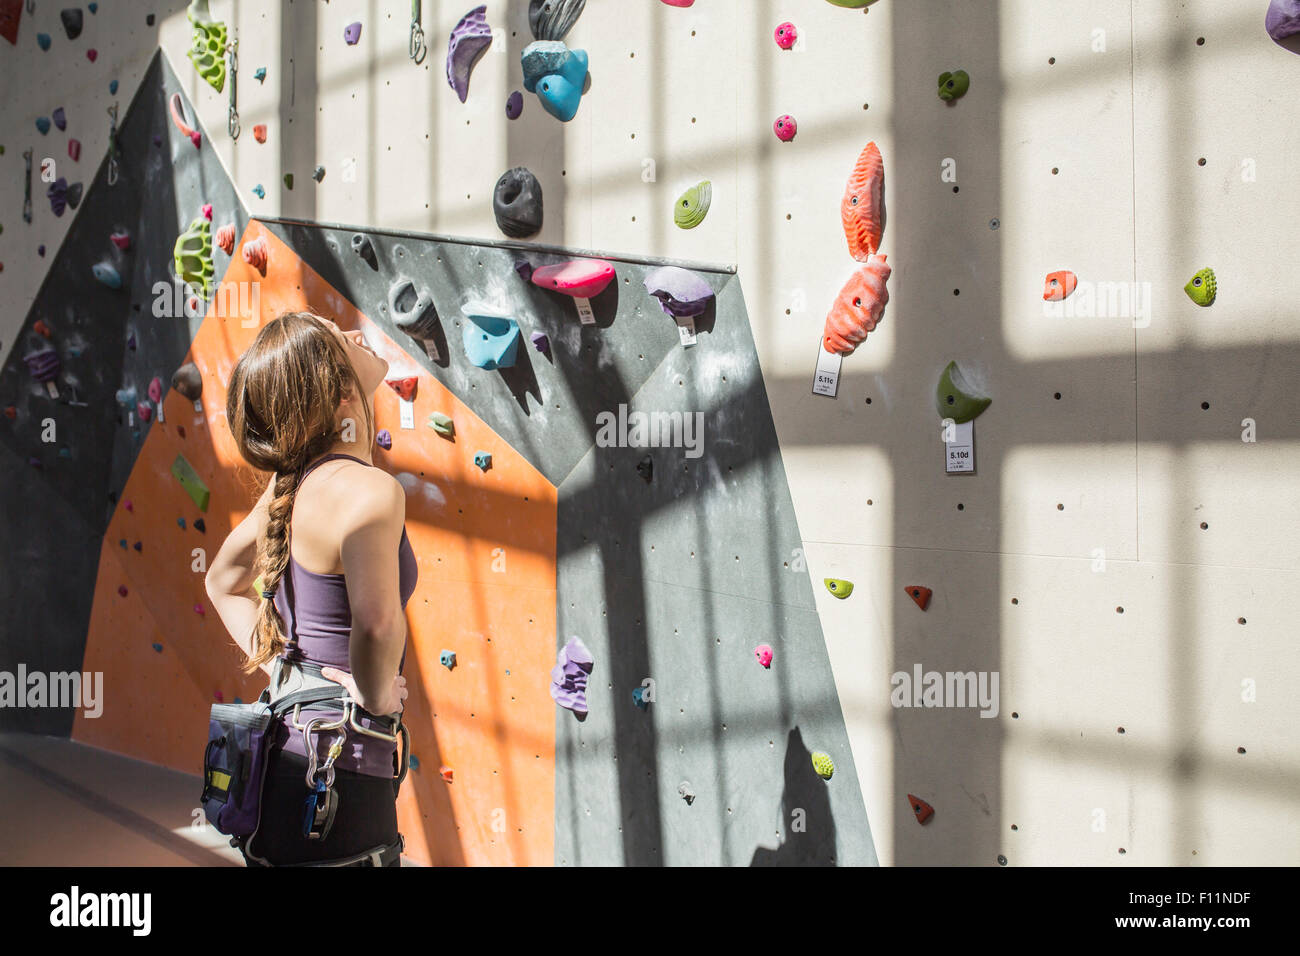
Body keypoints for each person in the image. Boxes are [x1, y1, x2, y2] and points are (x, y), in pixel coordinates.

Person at [204, 311, 416, 866]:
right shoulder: (370, 491)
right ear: (338, 386)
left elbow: (222, 582)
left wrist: (285, 672)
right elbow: (375, 625)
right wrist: (376, 698)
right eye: (336, 336)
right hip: (336, 783)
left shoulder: (289, 484)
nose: (352, 332)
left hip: (280, 776)